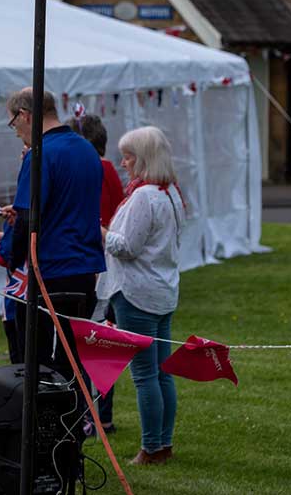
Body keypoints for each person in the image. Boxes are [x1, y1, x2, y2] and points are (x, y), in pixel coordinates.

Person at [0, 87, 105, 384]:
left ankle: (43, 428)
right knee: (73, 361)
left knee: (40, 366)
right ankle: (72, 426)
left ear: (25, 116)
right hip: (85, 270)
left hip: (50, 271)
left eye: (13, 123)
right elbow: (63, 205)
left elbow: (28, 219)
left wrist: (6, 251)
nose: (15, 131)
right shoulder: (86, 149)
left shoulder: (39, 154)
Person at [102, 125, 185, 466]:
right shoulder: (171, 193)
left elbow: (127, 247)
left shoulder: (143, 197)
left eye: (128, 157)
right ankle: (162, 444)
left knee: (145, 375)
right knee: (162, 372)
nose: (123, 163)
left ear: (144, 159)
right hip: (163, 289)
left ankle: (151, 447)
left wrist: (101, 231)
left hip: (136, 293)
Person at [67, 113, 124, 432]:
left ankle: (92, 413)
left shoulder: (95, 170)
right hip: (103, 261)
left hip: (92, 262)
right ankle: (102, 413)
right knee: (103, 339)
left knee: (91, 337)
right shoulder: (108, 170)